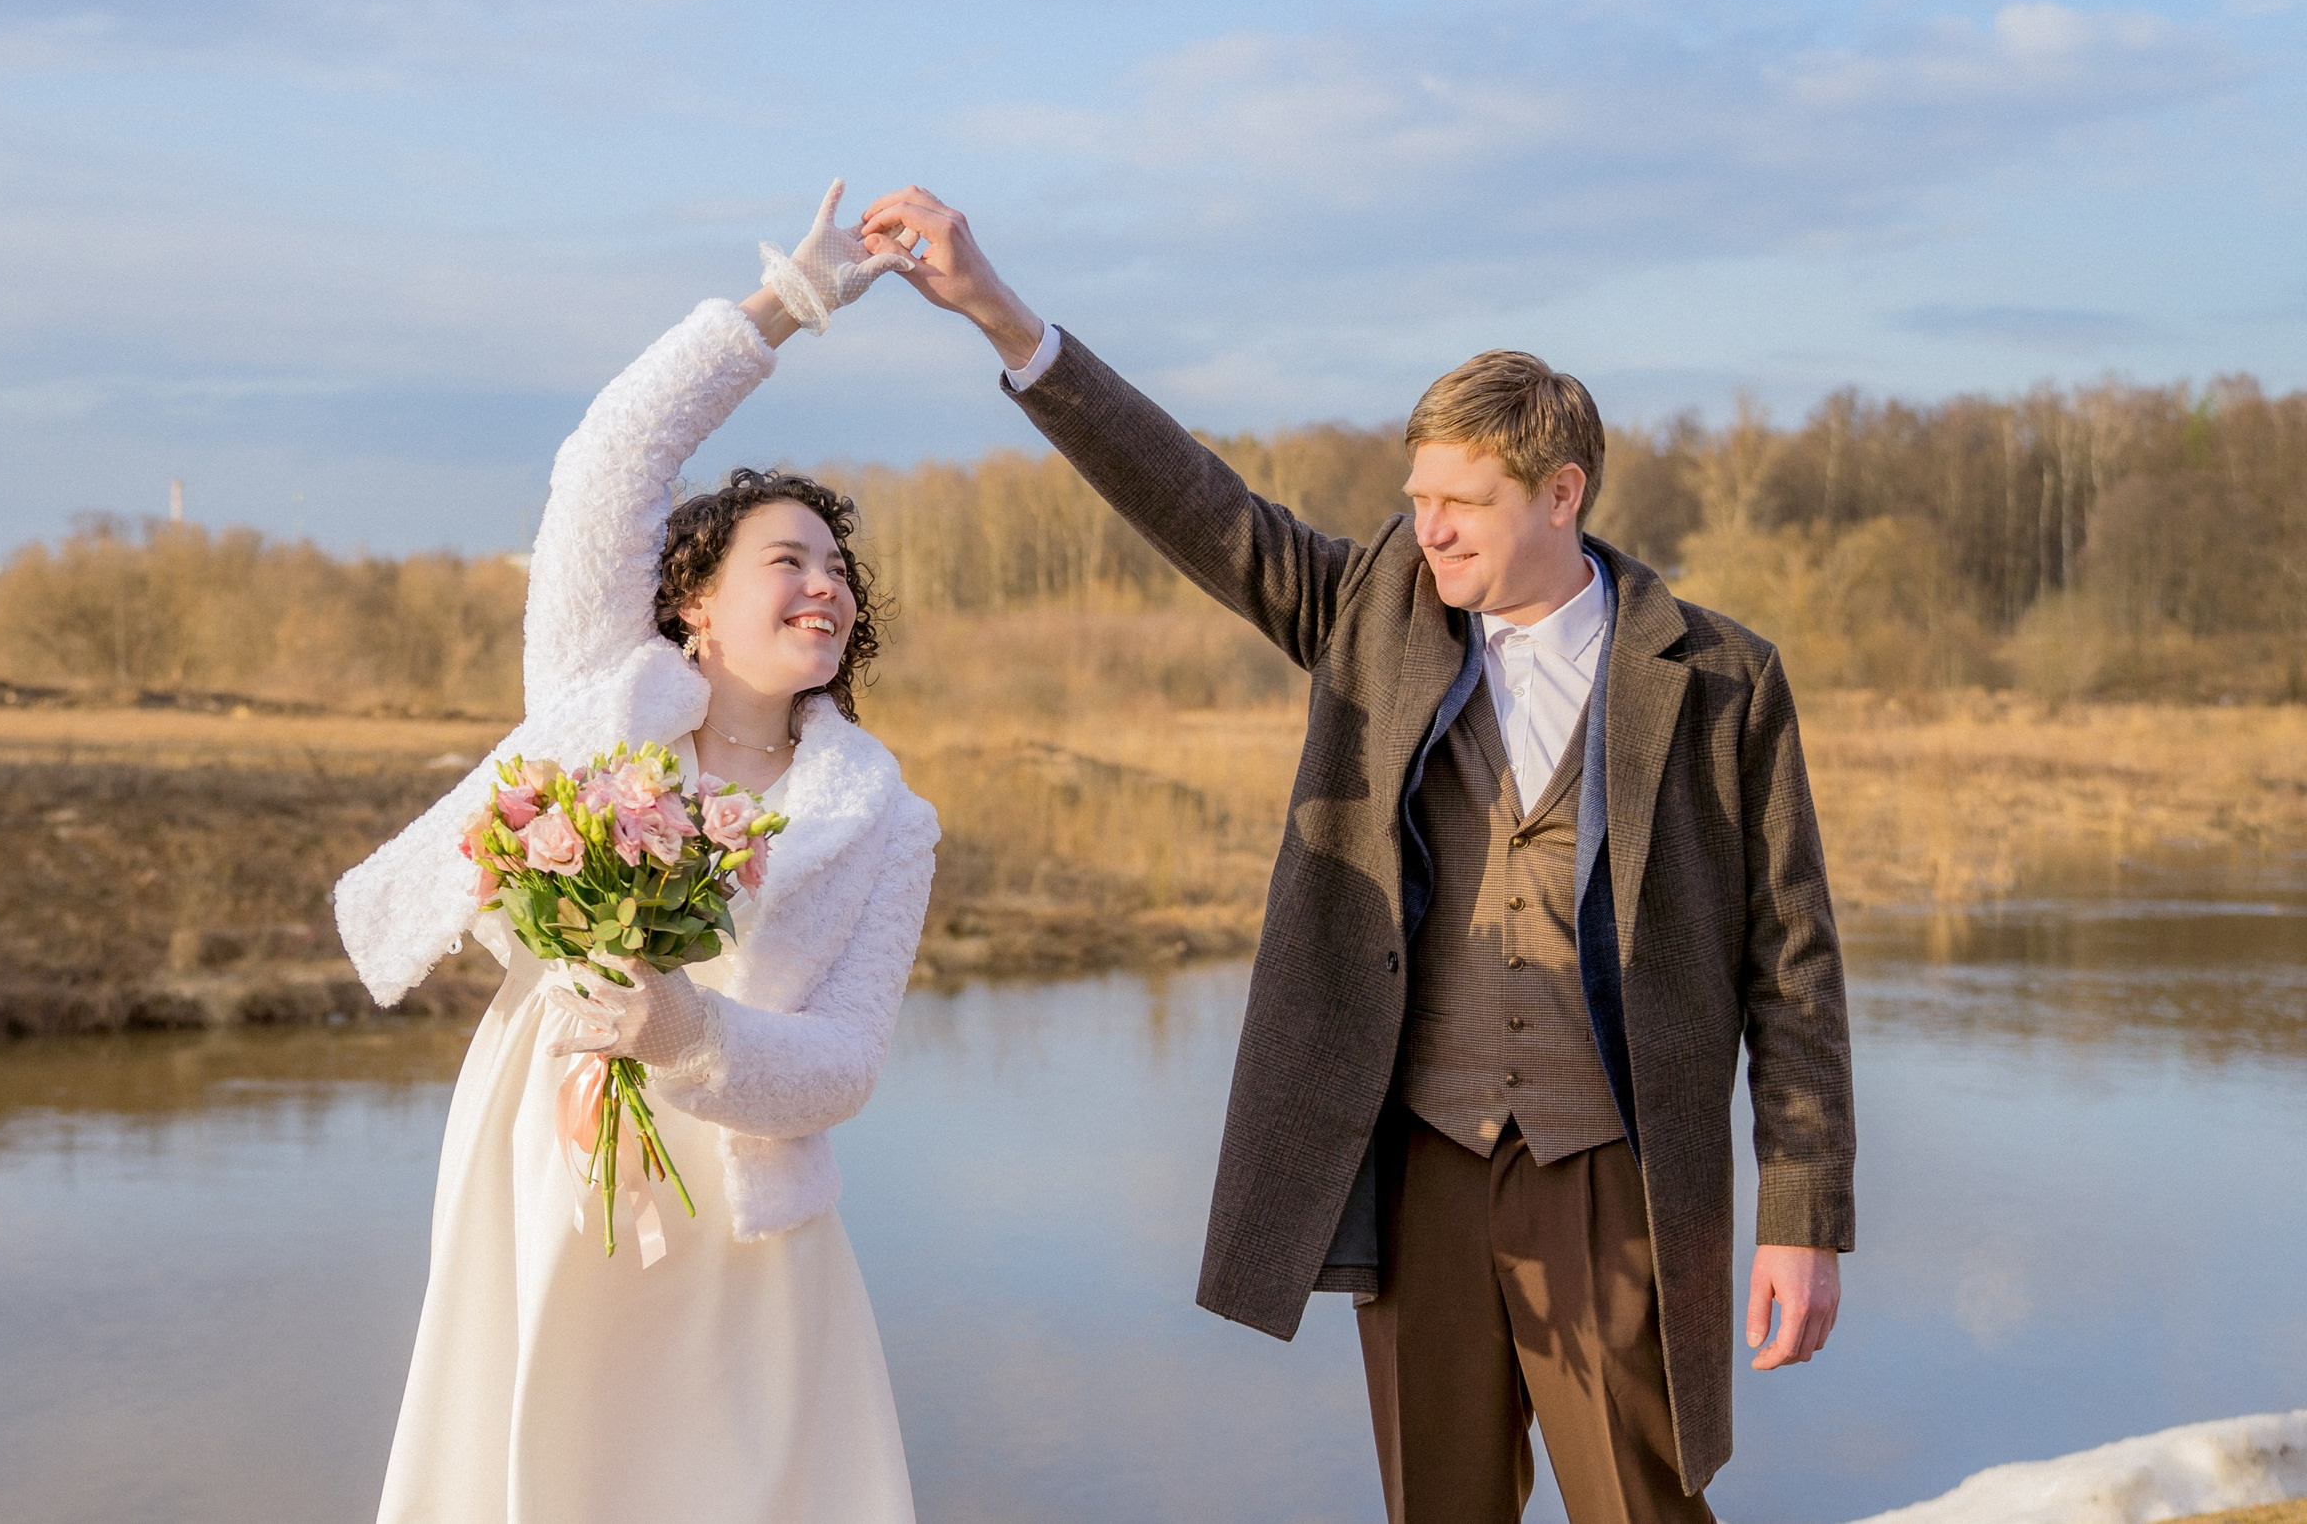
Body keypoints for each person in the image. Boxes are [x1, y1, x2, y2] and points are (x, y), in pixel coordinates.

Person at [853, 186, 1854, 1524]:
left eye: (1463, 503)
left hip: (1609, 1161)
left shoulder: (1721, 678)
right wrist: (999, 313)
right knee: (1437, 1506)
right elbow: (1197, 504)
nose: (1428, 529)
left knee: (1643, 1504)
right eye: (1417, 497)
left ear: (1562, 494)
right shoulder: (1373, 617)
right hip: (1422, 1150)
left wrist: (1803, 1213)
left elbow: (1792, 963)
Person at [334, 183, 940, 1524]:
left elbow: (845, 1062)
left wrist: (684, 1031)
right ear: (693, 604)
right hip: (552, 1142)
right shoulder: (599, 699)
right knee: (549, 1457)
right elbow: (613, 453)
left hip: (747, 1205)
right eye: (789, 560)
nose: (827, 585)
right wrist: (795, 297)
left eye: (841, 572)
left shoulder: (886, 819)